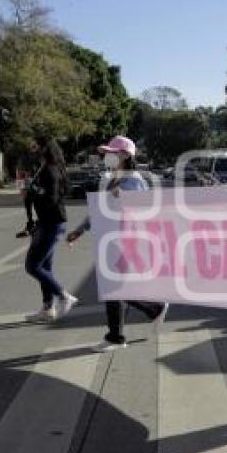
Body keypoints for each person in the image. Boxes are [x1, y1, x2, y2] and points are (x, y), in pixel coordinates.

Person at [66, 136, 169, 353]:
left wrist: (122, 198)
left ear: (125, 155)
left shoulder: (133, 180)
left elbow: (140, 210)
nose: (107, 156)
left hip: (126, 241)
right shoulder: (114, 177)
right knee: (115, 290)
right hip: (113, 240)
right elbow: (100, 209)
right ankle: (152, 311)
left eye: (112, 152)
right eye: (107, 152)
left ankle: (119, 335)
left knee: (114, 290)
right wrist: (80, 230)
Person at [24, 135, 78, 322]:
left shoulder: (51, 170)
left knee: (32, 266)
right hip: (45, 223)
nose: (32, 149)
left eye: (35, 145)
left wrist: (33, 192)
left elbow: (51, 200)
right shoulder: (42, 168)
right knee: (45, 267)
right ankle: (48, 308)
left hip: (52, 224)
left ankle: (64, 296)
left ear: (44, 148)